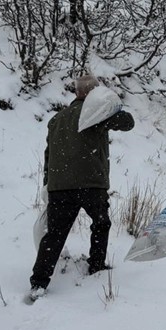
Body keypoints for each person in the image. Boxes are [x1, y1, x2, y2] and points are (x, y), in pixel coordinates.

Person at [27, 74, 135, 301]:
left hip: (59, 186)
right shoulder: (96, 114)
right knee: (101, 223)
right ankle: (96, 265)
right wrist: (112, 106)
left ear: (76, 93)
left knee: (54, 235)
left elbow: (49, 155)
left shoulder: (56, 119)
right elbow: (128, 123)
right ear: (95, 93)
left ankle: (38, 282)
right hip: (91, 184)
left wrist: (48, 183)